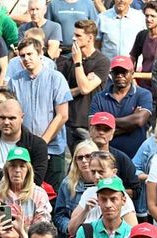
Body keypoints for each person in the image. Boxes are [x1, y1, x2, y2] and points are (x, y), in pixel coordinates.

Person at [8, 38, 72, 190]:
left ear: (40, 53)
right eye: (22, 56)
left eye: (30, 54)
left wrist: (41, 144)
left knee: (53, 195)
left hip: (53, 148)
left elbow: (62, 115)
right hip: (23, 149)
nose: (26, 59)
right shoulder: (15, 81)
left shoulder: (56, 78)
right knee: (22, 193)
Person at [57, 18, 110, 152]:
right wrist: (81, 85)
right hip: (69, 122)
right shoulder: (69, 61)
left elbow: (85, 89)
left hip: (89, 124)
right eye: (74, 35)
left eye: (78, 36)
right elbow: (63, 92)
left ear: (90, 38)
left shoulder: (102, 61)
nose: (74, 39)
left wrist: (78, 63)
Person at [90, 55, 153, 159]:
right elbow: (93, 129)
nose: (119, 75)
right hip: (105, 157)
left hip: (136, 157)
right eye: (116, 72)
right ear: (111, 74)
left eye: (124, 72)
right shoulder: (99, 97)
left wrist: (106, 122)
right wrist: (130, 125)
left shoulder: (143, 94)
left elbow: (139, 120)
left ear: (132, 74)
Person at [0, 98, 48, 184]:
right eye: (2, 117)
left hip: (27, 195)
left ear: (22, 118)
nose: (6, 122)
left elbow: (36, 180)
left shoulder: (38, 145)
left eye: (11, 118)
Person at [67, 150, 137, 238]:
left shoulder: (121, 198)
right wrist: (85, 211)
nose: (96, 176)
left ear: (114, 172)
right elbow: (71, 230)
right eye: (93, 172)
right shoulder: (89, 193)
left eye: (101, 172)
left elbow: (133, 234)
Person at [85, 111, 143, 198]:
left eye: (106, 129)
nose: (101, 132)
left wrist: (112, 193)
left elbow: (136, 190)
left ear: (112, 133)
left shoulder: (121, 158)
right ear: (91, 130)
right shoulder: (81, 156)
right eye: (98, 128)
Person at [0, 146, 52, 228]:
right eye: (13, 166)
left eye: (22, 166)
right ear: (6, 169)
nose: (17, 170)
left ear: (28, 170)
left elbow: (42, 228)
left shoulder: (39, 194)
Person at [54, 139, 98, 236]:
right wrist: (69, 228)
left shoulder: (106, 181)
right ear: (75, 161)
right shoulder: (67, 184)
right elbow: (59, 215)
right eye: (80, 158)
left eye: (88, 156)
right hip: (75, 235)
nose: (84, 160)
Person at [129, 1, 157, 90]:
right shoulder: (142, 35)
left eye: (153, 16)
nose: (149, 19)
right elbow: (132, 57)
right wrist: (131, 76)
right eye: (147, 15)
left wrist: (135, 75)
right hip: (142, 87)